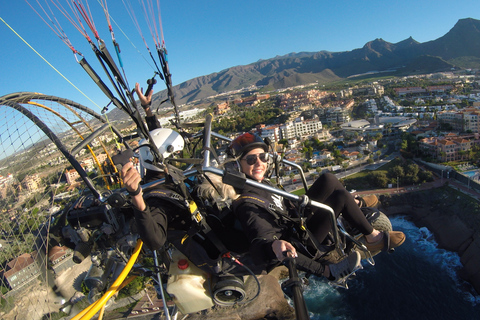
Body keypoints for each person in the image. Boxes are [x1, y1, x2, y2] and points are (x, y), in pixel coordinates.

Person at [228, 132, 406, 281]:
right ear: (238, 165)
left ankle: (355, 205)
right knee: (341, 197)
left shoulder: (261, 182)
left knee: (328, 179)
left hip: (296, 217)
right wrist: (274, 246)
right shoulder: (247, 204)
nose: (259, 163)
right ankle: (373, 238)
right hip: (303, 240)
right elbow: (261, 245)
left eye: (263, 157)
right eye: (251, 160)